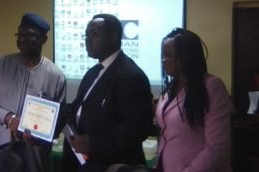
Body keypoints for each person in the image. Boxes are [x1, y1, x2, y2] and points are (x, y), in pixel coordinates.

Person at [61, 13, 154, 172]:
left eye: (95, 34)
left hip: (111, 165)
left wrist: (92, 143)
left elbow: (138, 128)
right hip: (82, 163)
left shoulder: (131, 75)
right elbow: (78, 109)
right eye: (86, 34)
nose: (88, 39)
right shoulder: (92, 72)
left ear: (113, 37)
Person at [0, 12, 66, 169]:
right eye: (20, 34)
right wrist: (8, 118)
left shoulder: (56, 76)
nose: (22, 39)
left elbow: (57, 121)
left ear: (44, 39)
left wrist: (40, 135)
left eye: (29, 35)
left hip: (33, 157)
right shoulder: (0, 66)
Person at [154, 28, 234, 172]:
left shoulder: (211, 87)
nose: (163, 60)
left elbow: (217, 147)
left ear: (187, 57)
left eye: (169, 56)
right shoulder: (169, 89)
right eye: (162, 55)